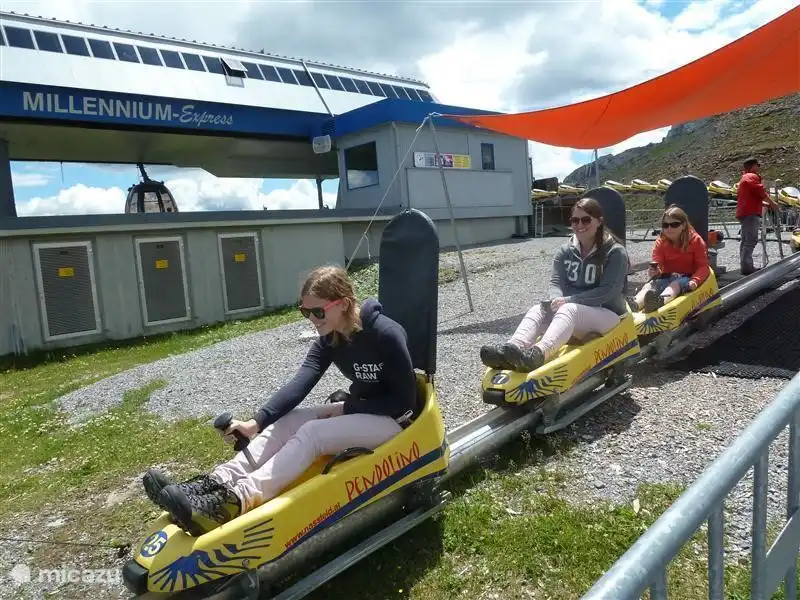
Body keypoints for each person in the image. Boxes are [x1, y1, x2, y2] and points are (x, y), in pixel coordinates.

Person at [141, 266, 417, 536]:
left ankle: (236, 500)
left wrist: (349, 407)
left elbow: (404, 401)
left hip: (396, 420)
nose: (312, 318)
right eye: (305, 311)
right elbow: (299, 385)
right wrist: (254, 423)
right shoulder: (330, 338)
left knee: (312, 433)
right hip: (363, 408)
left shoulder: (385, 334)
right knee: (291, 420)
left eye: (318, 311)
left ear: (343, 304)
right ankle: (214, 484)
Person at [479, 196, 629, 373]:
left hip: (608, 313)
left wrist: (568, 300)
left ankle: (538, 354)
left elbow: (607, 292)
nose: (579, 225)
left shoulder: (615, 252)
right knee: (539, 309)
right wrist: (556, 300)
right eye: (575, 220)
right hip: (575, 311)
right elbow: (556, 281)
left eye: (586, 219)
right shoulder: (566, 251)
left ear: (599, 221)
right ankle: (511, 349)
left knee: (568, 309)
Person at [629, 205, 710, 313]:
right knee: (650, 285)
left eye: (674, 224)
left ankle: (660, 301)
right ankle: (635, 303)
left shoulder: (696, 240)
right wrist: (655, 270)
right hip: (666, 276)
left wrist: (695, 281)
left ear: (683, 225)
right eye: (665, 225)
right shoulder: (661, 242)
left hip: (687, 277)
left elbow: (703, 266)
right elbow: (657, 260)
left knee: (675, 285)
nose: (669, 228)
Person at [736, 157, 777, 275]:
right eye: (758, 165)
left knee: (745, 240)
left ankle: (745, 266)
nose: (759, 167)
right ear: (753, 166)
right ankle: (747, 268)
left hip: (744, 212)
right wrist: (772, 203)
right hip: (750, 213)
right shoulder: (751, 177)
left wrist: (763, 203)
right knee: (750, 241)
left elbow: (751, 196)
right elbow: (760, 192)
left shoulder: (744, 178)